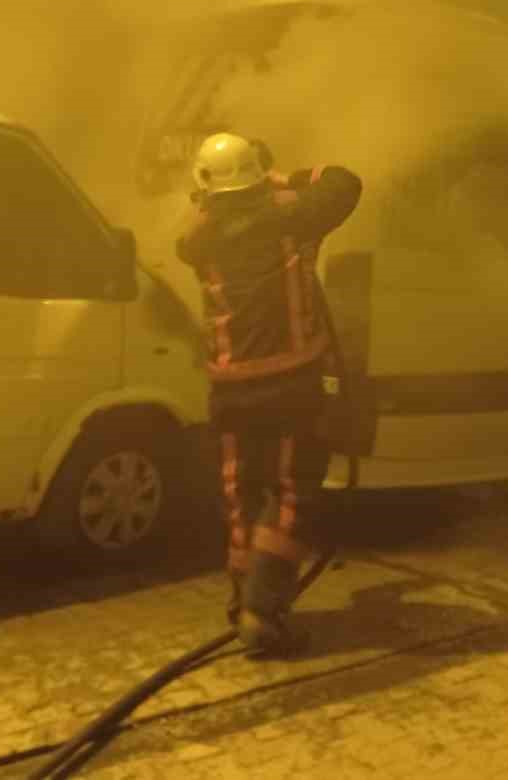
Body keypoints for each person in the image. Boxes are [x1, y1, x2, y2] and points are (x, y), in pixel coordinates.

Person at [176, 132, 362, 658]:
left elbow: (206, 210)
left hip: (229, 388)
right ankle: (262, 610)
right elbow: (345, 181)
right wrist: (280, 176)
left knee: (241, 494)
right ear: (257, 177)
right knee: (290, 495)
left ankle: (242, 604)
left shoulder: (196, 240)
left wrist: (236, 188)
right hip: (290, 385)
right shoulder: (292, 217)